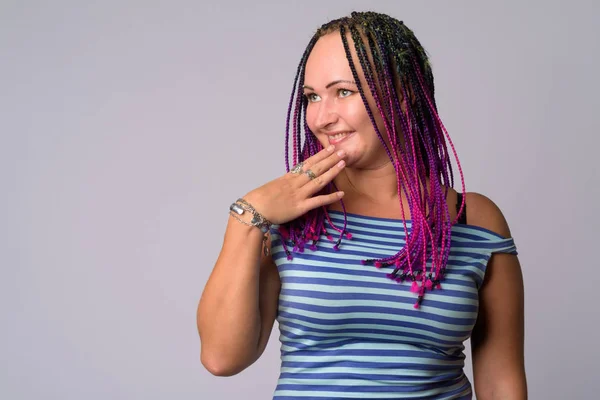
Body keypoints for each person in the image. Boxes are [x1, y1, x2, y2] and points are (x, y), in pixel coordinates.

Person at [197, 11, 526, 399]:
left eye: (343, 92)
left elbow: (501, 377)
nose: (321, 117)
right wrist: (247, 216)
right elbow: (222, 357)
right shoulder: (292, 215)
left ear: (401, 96)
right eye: (312, 96)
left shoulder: (474, 220)